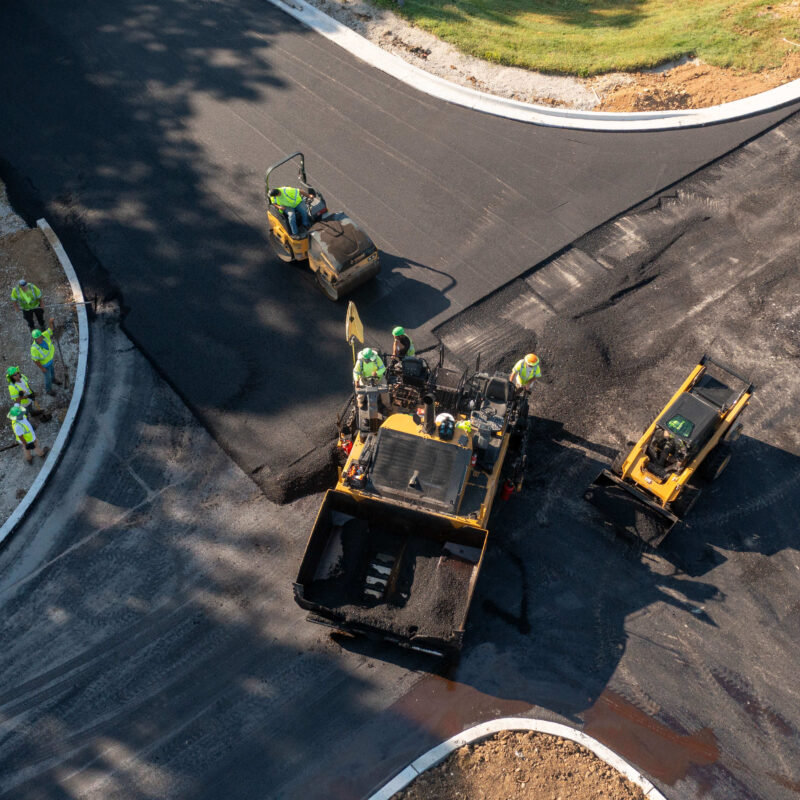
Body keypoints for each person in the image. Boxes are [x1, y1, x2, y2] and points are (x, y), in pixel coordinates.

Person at [30, 320, 61, 395]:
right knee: (48, 378)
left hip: (50, 360)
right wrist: (42, 368)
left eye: (40, 337)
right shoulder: (34, 348)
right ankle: (48, 390)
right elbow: (35, 360)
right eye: (37, 338)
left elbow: (51, 329)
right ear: (34, 339)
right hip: (45, 365)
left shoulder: (45, 335)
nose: (39, 339)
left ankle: (53, 380)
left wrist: (50, 322)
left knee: (52, 371)